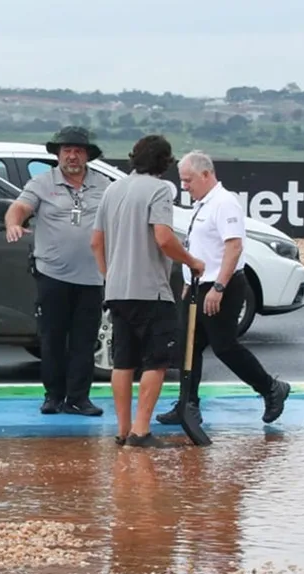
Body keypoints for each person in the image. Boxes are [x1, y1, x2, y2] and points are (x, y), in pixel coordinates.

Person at [155, 150, 290, 426]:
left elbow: (234, 247)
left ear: (206, 175)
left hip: (220, 287)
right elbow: (202, 247)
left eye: (188, 180)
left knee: (224, 347)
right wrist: (189, 283)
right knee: (188, 348)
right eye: (182, 180)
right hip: (198, 286)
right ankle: (187, 405)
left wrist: (218, 286)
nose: (184, 186)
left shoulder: (224, 203)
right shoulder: (203, 203)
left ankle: (270, 388)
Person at [90, 135, 205, 447]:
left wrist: (109, 275)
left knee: (123, 361)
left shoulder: (112, 189)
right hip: (151, 291)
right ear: (164, 162)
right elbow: (164, 238)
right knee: (156, 361)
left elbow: (96, 242)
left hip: (117, 290)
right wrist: (192, 261)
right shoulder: (159, 190)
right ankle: (141, 431)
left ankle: (123, 429)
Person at [5, 126, 113, 417]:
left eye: (78, 151)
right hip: (52, 274)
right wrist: (13, 224)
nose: (72, 156)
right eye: (67, 150)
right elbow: (18, 208)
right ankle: (53, 396)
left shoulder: (103, 185)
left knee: (84, 341)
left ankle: (78, 398)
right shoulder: (42, 183)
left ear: (87, 155)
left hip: (91, 277)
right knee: (52, 339)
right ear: (58, 154)